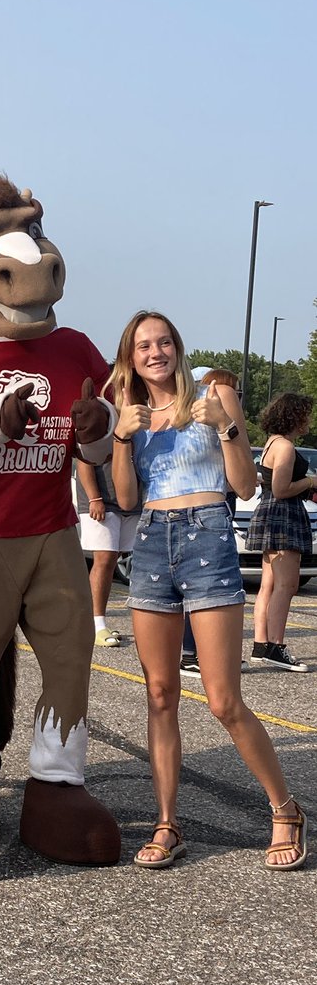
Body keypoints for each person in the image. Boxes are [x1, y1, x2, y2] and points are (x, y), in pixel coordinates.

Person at [109, 309, 306, 871]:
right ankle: (167, 823)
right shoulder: (131, 410)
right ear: (131, 358)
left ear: (177, 347)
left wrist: (225, 426)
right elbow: (126, 499)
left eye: (163, 342)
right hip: (152, 543)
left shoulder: (214, 394)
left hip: (207, 538)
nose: (155, 352)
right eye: (144, 346)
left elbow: (244, 486)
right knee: (159, 693)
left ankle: (286, 809)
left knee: (222, 699)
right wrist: (121, 437)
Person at [179, 369, 243, 677]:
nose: (237, 398)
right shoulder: (199, 415)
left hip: (213, 506)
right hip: (206, 509)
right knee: (201, 589)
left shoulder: (216, 417)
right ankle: (191, 652)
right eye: (235, 391)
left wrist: (225, 426)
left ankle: (196, 652)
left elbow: (244, 485)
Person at [247, 392, 316, 672]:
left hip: (271, 513)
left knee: (269, 584)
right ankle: (276, 646)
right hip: (283, 514)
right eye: (305, 415)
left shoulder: (272, 442)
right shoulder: (285, 446)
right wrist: (310, 481)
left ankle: (261, 644)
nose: (309, 420)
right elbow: (281, 488)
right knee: (287, 585)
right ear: (294, 416)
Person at [74, 456, 140, 647]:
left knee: (113, 559)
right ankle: (96, 625)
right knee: (104, 559)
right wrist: (94, 498)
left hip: (131, 500)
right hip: (101, 500)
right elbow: (84, 459)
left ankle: (95, 622)